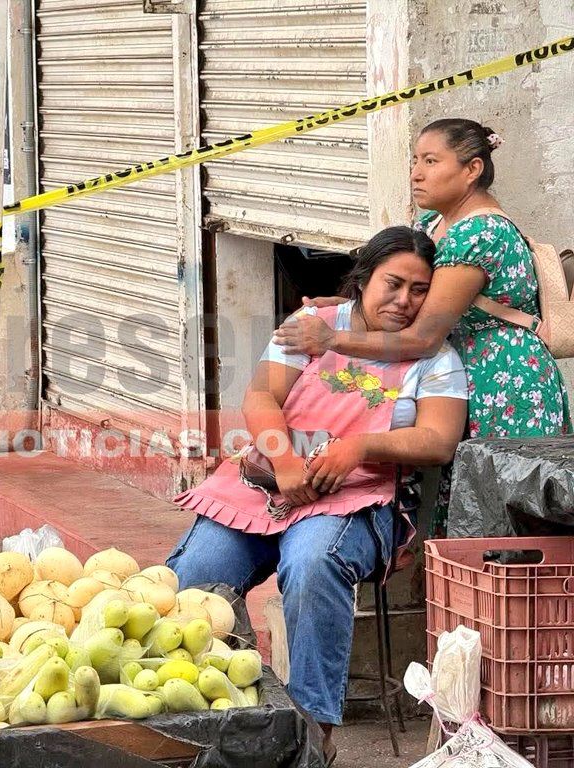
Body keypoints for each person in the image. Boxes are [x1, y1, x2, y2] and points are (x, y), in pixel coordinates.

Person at [166, 227, 468, 762]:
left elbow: (439, 440)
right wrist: (285, 462)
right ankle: (200, 714)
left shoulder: (435, 357)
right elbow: (260, 396)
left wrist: (357, 447)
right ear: (363, 279)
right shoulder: (312, 326)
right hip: (266, 486)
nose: (404, 300)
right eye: (393, 284)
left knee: (312, 563)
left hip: (358, 497)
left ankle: (310, 733)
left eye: (419, 290)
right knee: (193, 576)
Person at [273, 119, 571, 535]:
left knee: (506, 507)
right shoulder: (433, 224)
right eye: (415, 160)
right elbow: (415, 293)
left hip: (506, 383)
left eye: (431, 161)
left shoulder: (481, 231)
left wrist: (333, 339)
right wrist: (350, 304)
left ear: (472, 170)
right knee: (475, 505)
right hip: (466, 374)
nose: (416, 173)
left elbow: (424, 338)